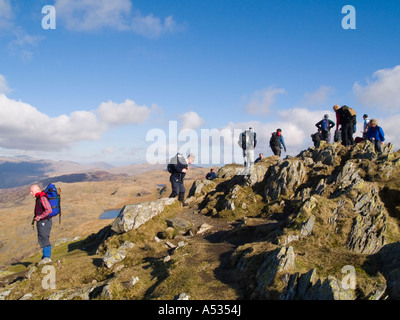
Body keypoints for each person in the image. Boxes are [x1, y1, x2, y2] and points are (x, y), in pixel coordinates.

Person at [30, 184, 53, 265]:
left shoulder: (42, 197)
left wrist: (39, 217)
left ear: (36, 190)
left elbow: (49, 210)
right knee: (42, 238)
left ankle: (47, 257)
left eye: (31, 191)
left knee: (44, 238)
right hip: (42, 221)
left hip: (44, 221)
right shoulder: (39, 197)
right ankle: (45, 257)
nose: (30, 193)